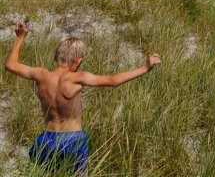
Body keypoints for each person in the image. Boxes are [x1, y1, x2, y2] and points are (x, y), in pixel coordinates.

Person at [5, 20, 161, 174]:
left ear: (55, 57)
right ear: (78, 61)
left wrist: (20, 38)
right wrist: (145, 67)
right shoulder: (78, 77)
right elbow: (113, 81)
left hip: (48, 139)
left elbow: (11, 65)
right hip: (73, 140)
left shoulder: (40, 75)